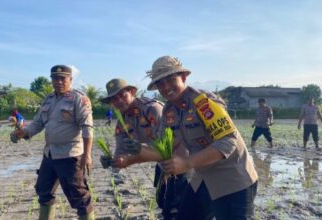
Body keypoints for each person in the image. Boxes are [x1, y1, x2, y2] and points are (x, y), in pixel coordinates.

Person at [145, 55, 258, 219]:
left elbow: (228, 141)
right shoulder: (169, 110)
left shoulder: (202, 102)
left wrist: (187, 163)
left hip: (233, 179)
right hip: (203, 177)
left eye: (170, 79)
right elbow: (164, 142)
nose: (166, 86)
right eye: (160, 83)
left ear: (183, 77)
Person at [10, 65, 95, 220]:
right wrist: (24, 132)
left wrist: (87, 155)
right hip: (50, 154)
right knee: (44, 190)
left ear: (70, 80)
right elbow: (38, 123)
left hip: (70, 155)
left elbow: (87, 128)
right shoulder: (48, 99)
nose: (59, 82)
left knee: (80, 197)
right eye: (55, 78)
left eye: (63, 78)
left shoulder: (79, 99)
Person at [99, 78, 188, 219]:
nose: (119, 101)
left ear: (132, 92)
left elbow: (169, 144)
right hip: (163, 164)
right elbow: (121, 153)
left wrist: (140, 150)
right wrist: (112, 160)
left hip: (183, 162)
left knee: (179, 208)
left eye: (122, 95)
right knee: (163, 202)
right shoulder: (123, 121)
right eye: (114, 99)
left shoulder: (152, 109)